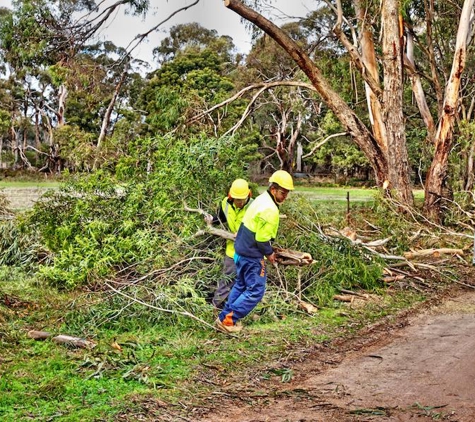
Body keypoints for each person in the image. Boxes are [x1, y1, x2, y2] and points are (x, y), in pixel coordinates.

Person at [215, 170, 294, 334]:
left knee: (241, 285)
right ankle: (228, 320)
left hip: (240, 251)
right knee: (256, 290)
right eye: (282, 192)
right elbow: (262, 240)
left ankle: (224, 317)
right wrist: (270, 254)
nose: (285, 196)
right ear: (273, 189)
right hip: (252, 255)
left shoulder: (260, 199)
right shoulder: (270, 209)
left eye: (287, 192)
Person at [205, 179, 253, 310]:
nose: (240, 202)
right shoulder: (225, 203)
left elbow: (260, 228)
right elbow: (221, 217)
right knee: (226, 280)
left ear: (249, 195)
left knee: (250, 282)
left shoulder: (254, 207)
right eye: (237, 199)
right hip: (232, 250)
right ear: (231, 196)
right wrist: (211, 219)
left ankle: (246, 309)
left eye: (242, 199)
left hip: (250, 251)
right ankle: (215, 307)